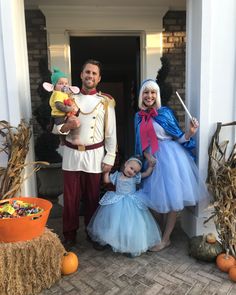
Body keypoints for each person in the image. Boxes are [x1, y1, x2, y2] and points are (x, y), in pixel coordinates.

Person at [135, 79, 209, 252]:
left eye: (153, 92)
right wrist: (146, 155)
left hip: (172, 159)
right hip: (153, 161)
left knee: (173, 199)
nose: (149, 96)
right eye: (146, 92)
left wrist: (190, 132)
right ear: (141, 95)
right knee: (154, 200)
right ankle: (157, 233)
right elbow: (141, 143)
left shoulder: (165, 113)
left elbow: (179, 137)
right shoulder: (138, 116)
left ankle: (165, 239)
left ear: (157, 95)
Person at [56, 59, 117, 248]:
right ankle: (70, 235)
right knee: (71, 198)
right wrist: (67, 125)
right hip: (72, 154)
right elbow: (56, 128)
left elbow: (111, 133)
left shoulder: (105, 102)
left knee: (92, 198)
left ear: (99, 78)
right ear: (81, 75)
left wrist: (110, 157)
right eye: (87, 72)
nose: (90, 75)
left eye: (94, 73)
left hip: (94, 155)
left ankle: (93, 233)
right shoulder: (68, 99)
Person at [87, 157, 161, 257]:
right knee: (114, 223)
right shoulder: (117, 175)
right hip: (117, 201)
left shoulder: (135, 178)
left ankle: (131, 246)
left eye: (135, 171)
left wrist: (151, 167)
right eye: (131, 168)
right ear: (126, 164)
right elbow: (106, 180)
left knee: (131, 225)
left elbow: (146, 174)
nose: (132, 172)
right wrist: (106, 172)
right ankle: (114, 241)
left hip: (131, 203)